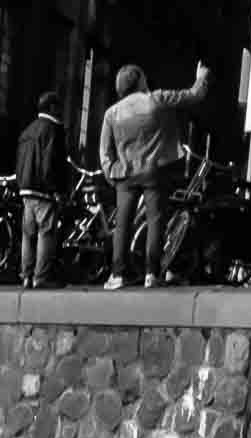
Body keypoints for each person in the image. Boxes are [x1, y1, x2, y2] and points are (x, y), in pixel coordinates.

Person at [101, 61, 209, 289]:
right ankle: (152, 274)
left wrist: (112, 173)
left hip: (125, 175)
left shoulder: (111, 113)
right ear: (140, 80)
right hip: (154, 171)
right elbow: (194, 95)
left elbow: (105, 151)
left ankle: (118, 274)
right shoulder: (156, 99)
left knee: (122, 224)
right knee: (155, 221)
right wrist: (201, 76)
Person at [17, 91, 66, 289]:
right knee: (46, 233)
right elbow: (51, 163)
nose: (60, 111)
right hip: (44, 190)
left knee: (28, 235)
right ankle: (42, 277)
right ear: (52, 107)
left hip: (26, 189)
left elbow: (19, 162)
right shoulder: (53, 129)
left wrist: (22, 184)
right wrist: (56, 189)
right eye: (59, 107)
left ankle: (26, 276)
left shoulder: (27, 131)